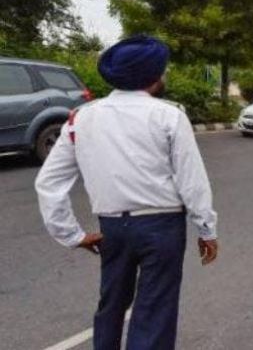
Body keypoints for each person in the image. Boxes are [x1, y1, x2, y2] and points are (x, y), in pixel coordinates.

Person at [35, 35, 219, 350]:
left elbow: (49, 182)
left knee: (111, 304)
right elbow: (192, 181)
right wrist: (207, 229)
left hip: (113, 227)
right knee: (154, 311)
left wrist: (73, 235)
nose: (165, 75)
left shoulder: (82, 118)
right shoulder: (169, 116)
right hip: (162, 227)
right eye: (163, 70)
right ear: (152, 76)